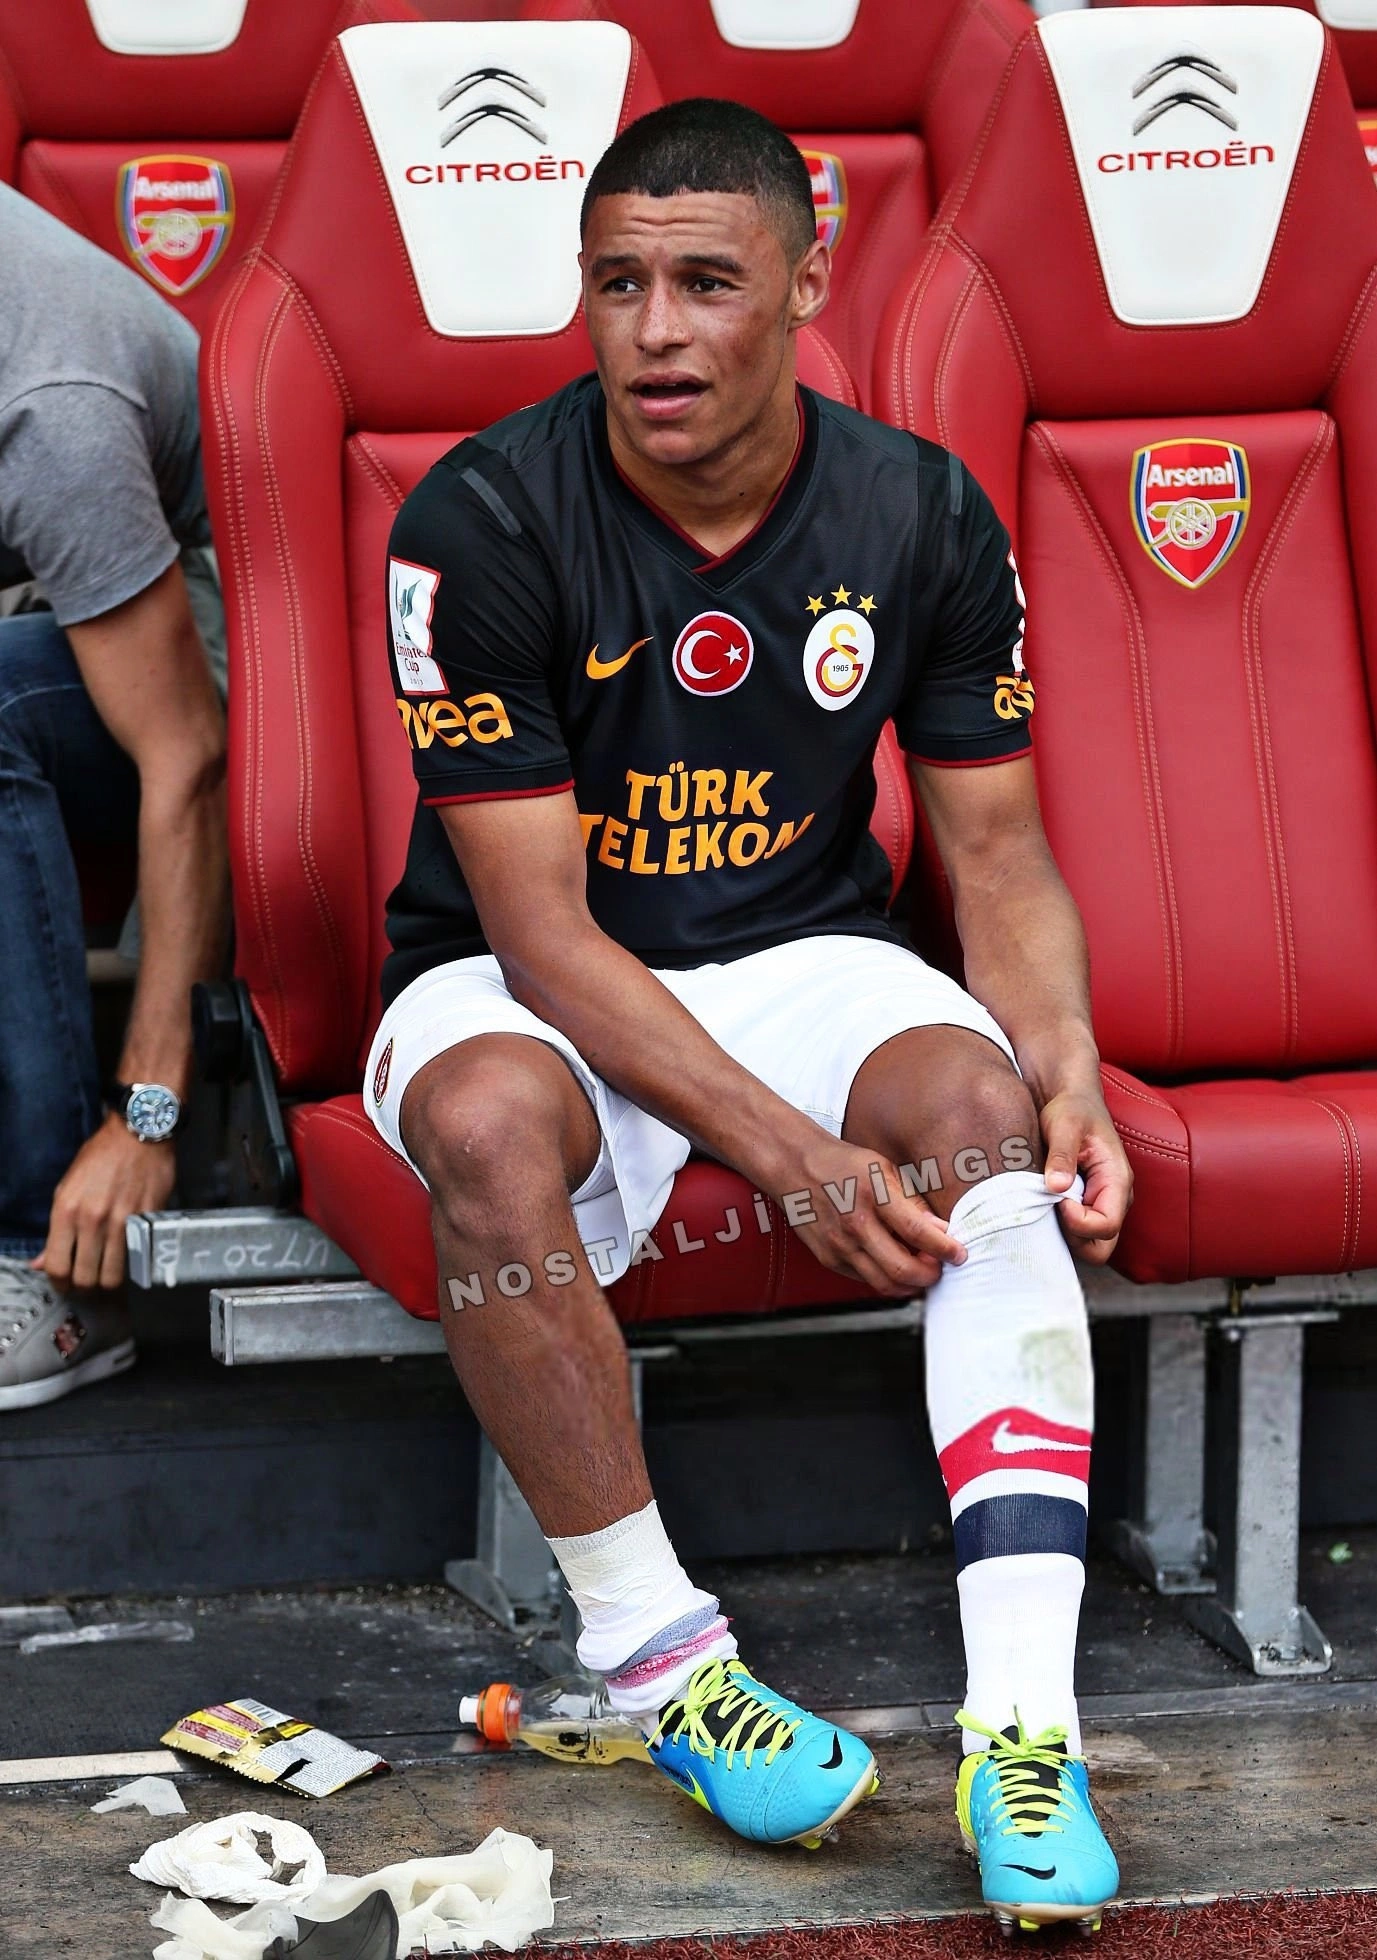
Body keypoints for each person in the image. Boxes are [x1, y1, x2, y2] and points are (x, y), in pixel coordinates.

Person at [368, 99, 1132, 1931]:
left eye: (706, 283)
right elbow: (541, 938)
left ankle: (1026, 1734)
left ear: (804, 282)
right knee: (482, 1125)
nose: (655, 332)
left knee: (981, 1113)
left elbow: (996, 853)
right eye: (616, 284)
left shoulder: (920, 510)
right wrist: (786, 1152)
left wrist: (1069, 1069)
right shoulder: (474, 521)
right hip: (518, 974)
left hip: (796, 947)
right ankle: (665, 1668)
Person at [0, 185, 228, 1410]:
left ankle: (48, 1257)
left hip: (230, 619)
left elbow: (190, 756)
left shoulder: (53, 417)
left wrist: (147, 1116)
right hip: (67, 584)